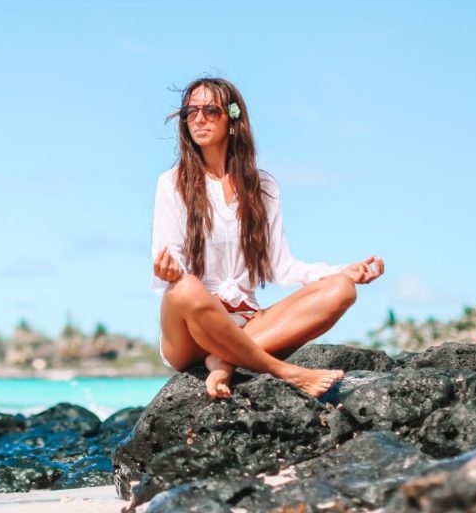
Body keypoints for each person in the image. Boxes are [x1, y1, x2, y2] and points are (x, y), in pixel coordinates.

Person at [152, 77, 384, 398]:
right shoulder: (172, 183)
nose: (199, 118)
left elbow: (282, 267)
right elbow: (169, 255)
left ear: (233, 119)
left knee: (341, 290)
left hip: (248, 324)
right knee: (185, 287)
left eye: (210, 110)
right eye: (190, 112)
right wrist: (170, 271)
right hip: (191, 332)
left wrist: (342, 270)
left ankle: (226, 360)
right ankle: (285, 371)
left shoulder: (263, 188)